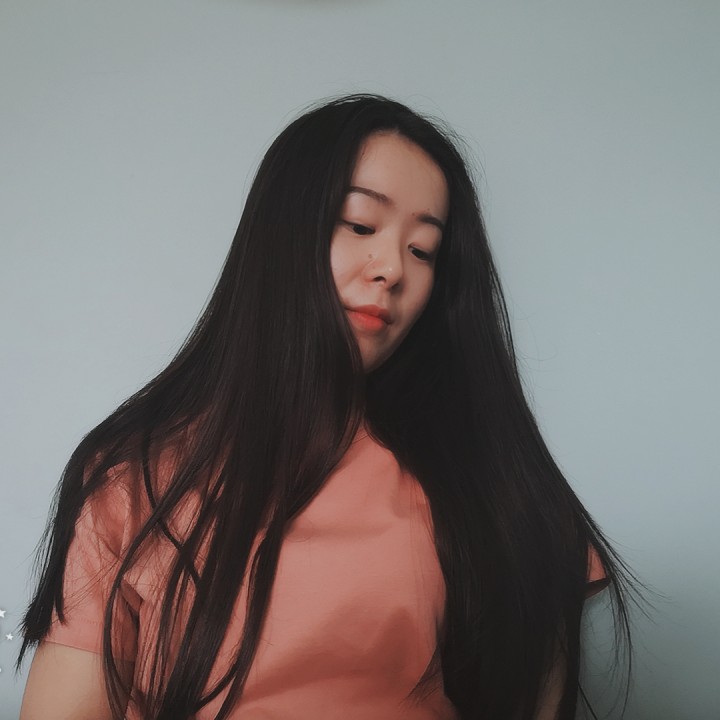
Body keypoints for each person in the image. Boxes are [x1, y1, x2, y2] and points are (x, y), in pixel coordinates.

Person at [18, 94, 631, 720]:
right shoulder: (135, 478)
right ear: (282, 235)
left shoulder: (494, 484)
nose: (391, 268)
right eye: (360, 225)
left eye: (423, 250)